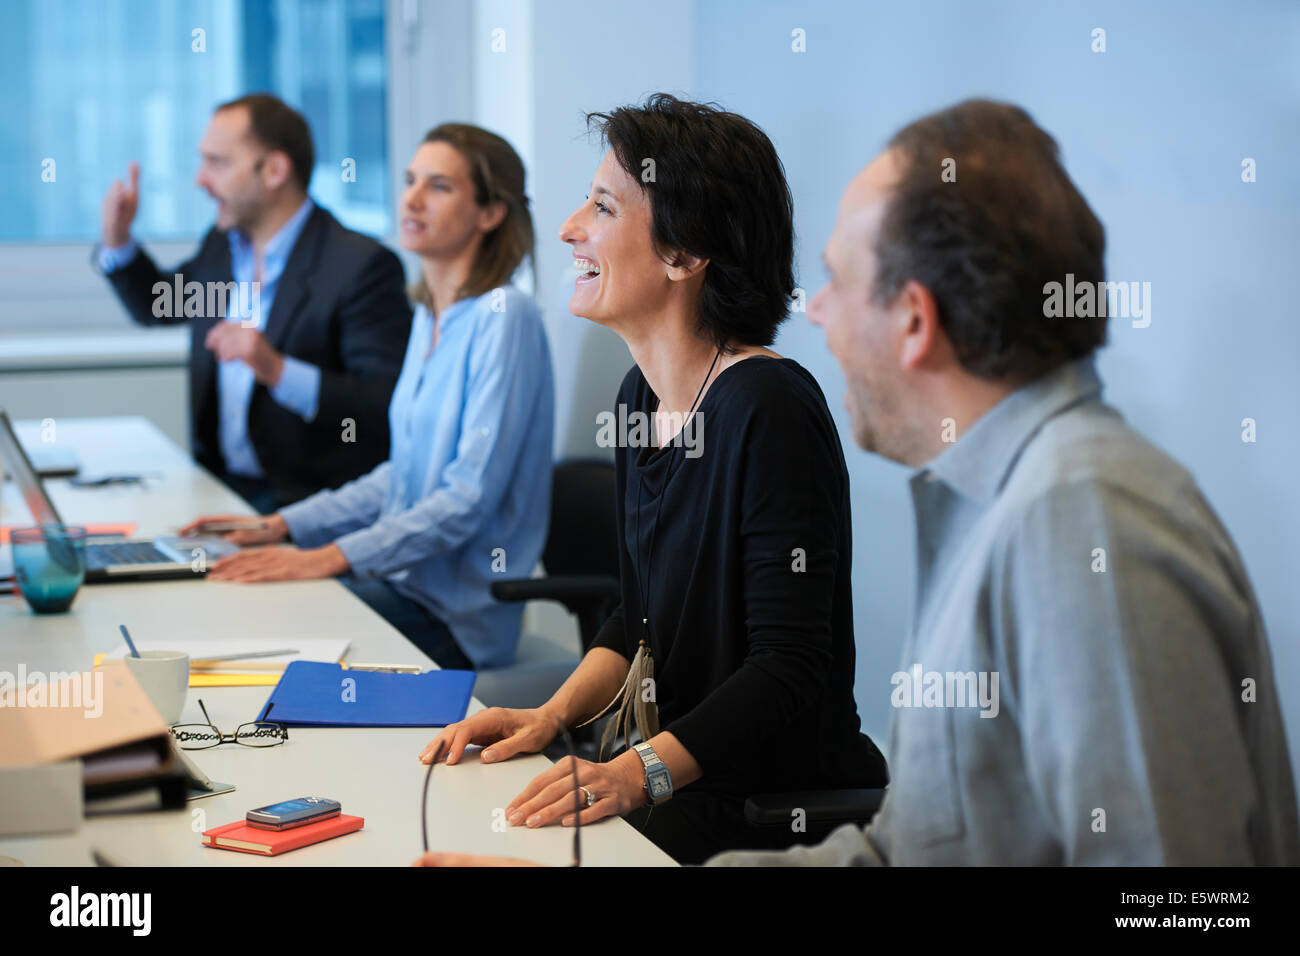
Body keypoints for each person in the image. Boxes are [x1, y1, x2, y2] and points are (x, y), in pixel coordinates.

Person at [704, 100, 1300, 865]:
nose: (814, 311)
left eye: (835, 282)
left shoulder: (1080, 520)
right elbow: (905, 853)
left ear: (915, 321)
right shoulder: (993, 501)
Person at [415, 94, 888, 865]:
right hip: (669, 781)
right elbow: (633, 618)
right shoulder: (641, 396)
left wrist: (637, 776)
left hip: (762, 808)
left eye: (602, 207)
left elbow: (788, 668)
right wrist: (550, 716)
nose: (570, 228)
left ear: (683, 253)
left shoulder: (768, 407)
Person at [184, 124, 554, 671]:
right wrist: (288, 525)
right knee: (236, 601)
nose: (411, 198)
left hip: (456, 618)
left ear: (490, 213)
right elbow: (399, 474)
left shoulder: (506, 316)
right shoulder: (430, 314)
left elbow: (466, 500)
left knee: (261, 626)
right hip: (399, 584)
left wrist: (328, 559)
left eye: (440, 186)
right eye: (409, 180)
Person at [97, 93, 411, 512]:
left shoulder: (361, 267)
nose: (200, 180)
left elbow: (382, 408)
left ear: (275, 170)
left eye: (218, 163)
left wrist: (277, 370)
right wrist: (118, 242)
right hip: (219, 493)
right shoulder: (222, 248)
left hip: (309, 509)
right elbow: (160, 306)